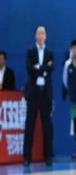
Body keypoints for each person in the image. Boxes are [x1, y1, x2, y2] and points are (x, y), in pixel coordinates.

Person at [23, 25, 54, 166]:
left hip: (45, 94)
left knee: (47, 126)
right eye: (38, 33)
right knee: (30, 125)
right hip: (33, 94)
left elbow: (51, 69)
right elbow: (30, 70)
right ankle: (26, 157)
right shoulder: (30, 52)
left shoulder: (50, 53)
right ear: (35, 36)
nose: (41, 36)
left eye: (43, 33)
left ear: (46, 36)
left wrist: (39, 68)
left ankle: (48, 157)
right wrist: (44, 69)